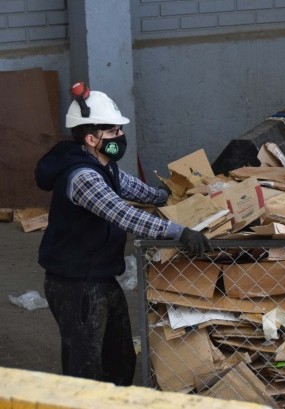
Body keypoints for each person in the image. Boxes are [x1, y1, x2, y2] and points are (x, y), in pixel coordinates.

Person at [35, 84, 211, 386]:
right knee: (85, 367)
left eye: (119, 129)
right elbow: (123, 214)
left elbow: (141, 191)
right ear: (92, 138)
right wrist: (178, 231)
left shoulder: (104, 166)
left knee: (121, 358)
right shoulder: (84, 176)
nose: (119, 136)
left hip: (99, 277)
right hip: (75, 284)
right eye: (113, 131)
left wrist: (181, 195)